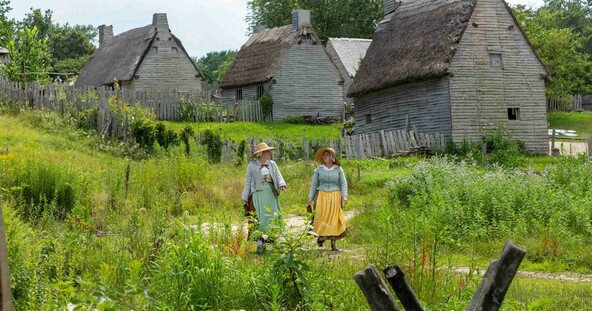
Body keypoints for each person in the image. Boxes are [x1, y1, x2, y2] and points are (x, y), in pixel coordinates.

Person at [241, 142, 287, 253]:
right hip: (258, 194)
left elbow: (278, 175)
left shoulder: (272, 164)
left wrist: (282, 185)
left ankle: (271, 240)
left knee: (271, 216)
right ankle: (260, 243)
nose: (268, 153)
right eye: (266, 152)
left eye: (269, 151)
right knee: (260, 218)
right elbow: (247, 183)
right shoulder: (251, 166)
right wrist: (244, 197)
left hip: (270, 194)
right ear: (260, 153)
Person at [307, 147, 348, 251]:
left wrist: (344, 195)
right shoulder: (319, 170)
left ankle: (333, 243)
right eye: (324, 155)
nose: (325, 157)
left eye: (327, 155)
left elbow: (343, 183)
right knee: (321, 217)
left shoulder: (338, 169)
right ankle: (321, 237)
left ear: (332, 157)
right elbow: (314, 184)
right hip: (322, 196)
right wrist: (310, 198)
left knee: (334, 220)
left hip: (335, 196)